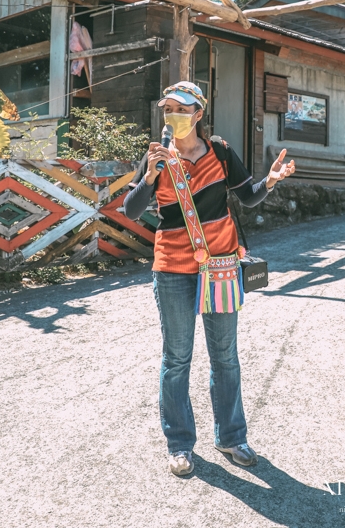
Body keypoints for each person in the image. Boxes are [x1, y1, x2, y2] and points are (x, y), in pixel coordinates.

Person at [123, 81, 295, 477]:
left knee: (225, 357)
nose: (173, 116)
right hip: (171, 268)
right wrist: (149, 178)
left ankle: (231, 437)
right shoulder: (157, 157)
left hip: (219, 266)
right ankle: (180, 444)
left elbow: (248, 196)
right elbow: (132, 211)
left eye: (181, 109)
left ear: (198, 114)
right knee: (177, 358)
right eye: (168, 109)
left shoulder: (219, 151)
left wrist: (269, 180)